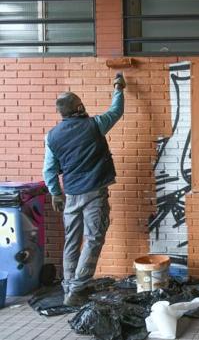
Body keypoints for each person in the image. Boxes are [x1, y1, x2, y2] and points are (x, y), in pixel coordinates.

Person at [42, 73, 126, 306]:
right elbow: (116, 111)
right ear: (79, 106)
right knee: (93, 238)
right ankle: (77, 289)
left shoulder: (51, 137)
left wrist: (55, 194)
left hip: (70, 195)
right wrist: (118, 87)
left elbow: (49, 170)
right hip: (94, 193)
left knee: (71, 240)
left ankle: (69, 286)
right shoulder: (94, 126)